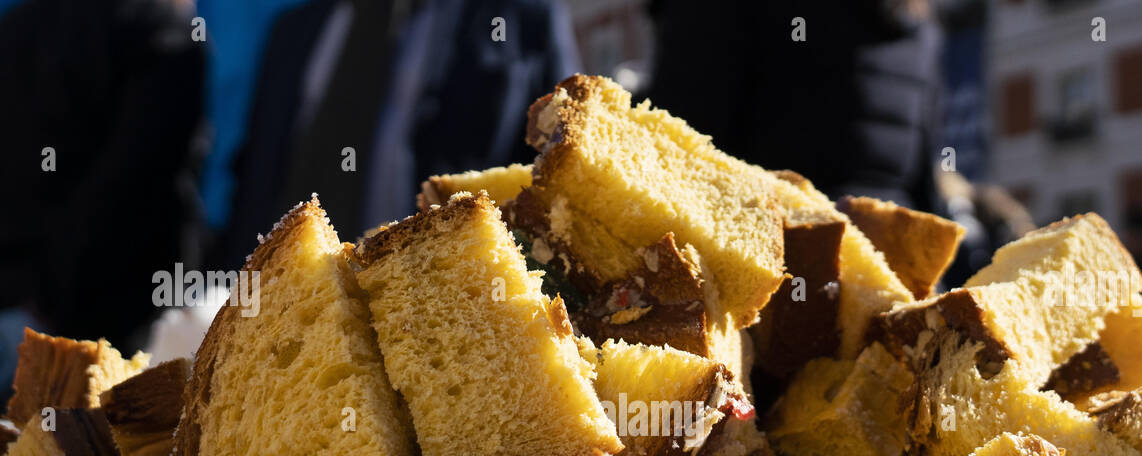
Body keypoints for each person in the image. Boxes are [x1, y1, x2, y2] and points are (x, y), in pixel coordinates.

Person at [215, 0, 579, 269]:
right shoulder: (294, 29)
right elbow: (254, 178)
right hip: (284, 310)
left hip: (441, 316)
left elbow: (561, 172)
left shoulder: (520, 18)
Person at [0, 0, 205, 394]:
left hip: (21, 315)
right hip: (112, 332)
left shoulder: (15, 25)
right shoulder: (162, 29)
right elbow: (133, 183)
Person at [645, 0, 944, 212]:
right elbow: (924, 188)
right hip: (894, 271)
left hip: (776, 265)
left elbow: (676, 144)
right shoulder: (918, 23)